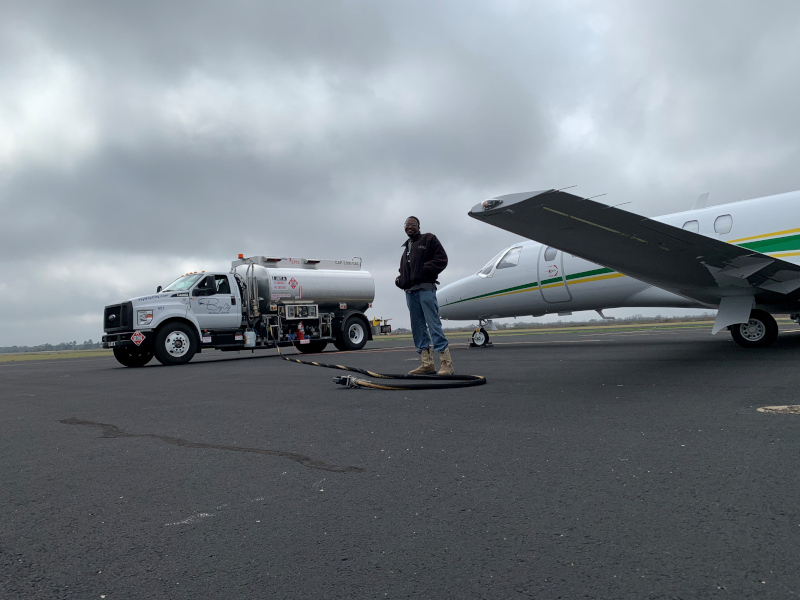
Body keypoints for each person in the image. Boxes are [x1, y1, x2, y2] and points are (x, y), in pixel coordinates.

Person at [395, 216, 453, 375]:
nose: (409, 226)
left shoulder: (428, 239)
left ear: (419, 226)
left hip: (426, 289)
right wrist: (400, 280)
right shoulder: (406, 247)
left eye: (412, 224)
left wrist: (426, 269)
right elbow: (404, 270)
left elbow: (442, 259)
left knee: (433, 324)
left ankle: (446, 363)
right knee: (417, 327)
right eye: (407, 224)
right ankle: (427, 364)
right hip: (411, 292)